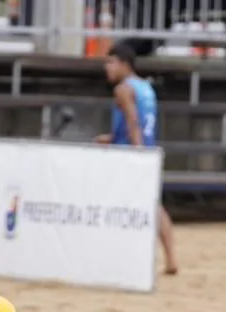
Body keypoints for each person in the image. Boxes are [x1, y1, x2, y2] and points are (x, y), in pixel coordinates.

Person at [95, 39, 179, 276]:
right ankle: (171, 258)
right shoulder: (146, 88)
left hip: (129, 156)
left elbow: (133, 121)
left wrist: (136, 152)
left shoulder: (123, 89)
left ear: (124, 64)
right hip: (146, 150)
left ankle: (117, 258)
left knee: (113, 206)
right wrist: (111, 137)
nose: (107, 69)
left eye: (111, 63)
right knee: (155, 206)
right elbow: (139, 122)